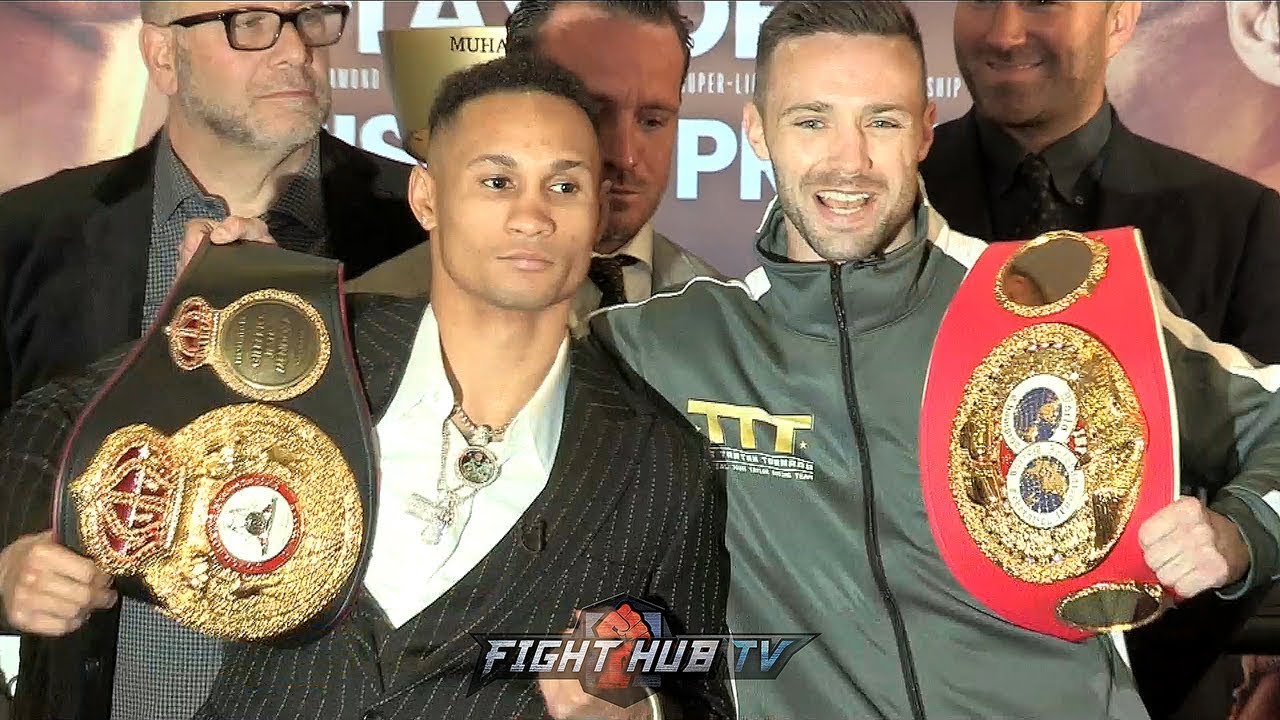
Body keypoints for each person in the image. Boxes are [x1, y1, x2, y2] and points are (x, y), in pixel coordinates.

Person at [590, 2, 1280, 718]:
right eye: (811, 120)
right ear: (757, 131)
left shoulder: (1052, 303)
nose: (848, 162)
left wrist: (1240, 534)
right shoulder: (661, 344)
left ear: (924, 129)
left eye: (881, 121)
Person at [0, 55, 730, 720]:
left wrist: (644, 713)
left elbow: (698, 687)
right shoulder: (305, 343)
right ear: (427, 197)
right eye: (496, 180)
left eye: (564, 185)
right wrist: (17, 563)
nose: (532, 216)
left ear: (598, 209)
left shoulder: (662, 468)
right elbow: (51, 417)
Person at [0, 2, 422, 717]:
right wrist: (5, 573)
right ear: (163, 56)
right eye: (251, 21)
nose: (296, 50)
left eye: (312, 16)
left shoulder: (421, 232)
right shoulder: (28, 238)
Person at [921, 1, 1280, 365]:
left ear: (1118, 21)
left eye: (1043, 2)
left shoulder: (1240, 225)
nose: (1004, 35)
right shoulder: (896, 201)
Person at [350, 0, 721, 329]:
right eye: (593, 111)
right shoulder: (361, 320)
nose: (625, 155)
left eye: (652, 121)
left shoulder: (727, 323)